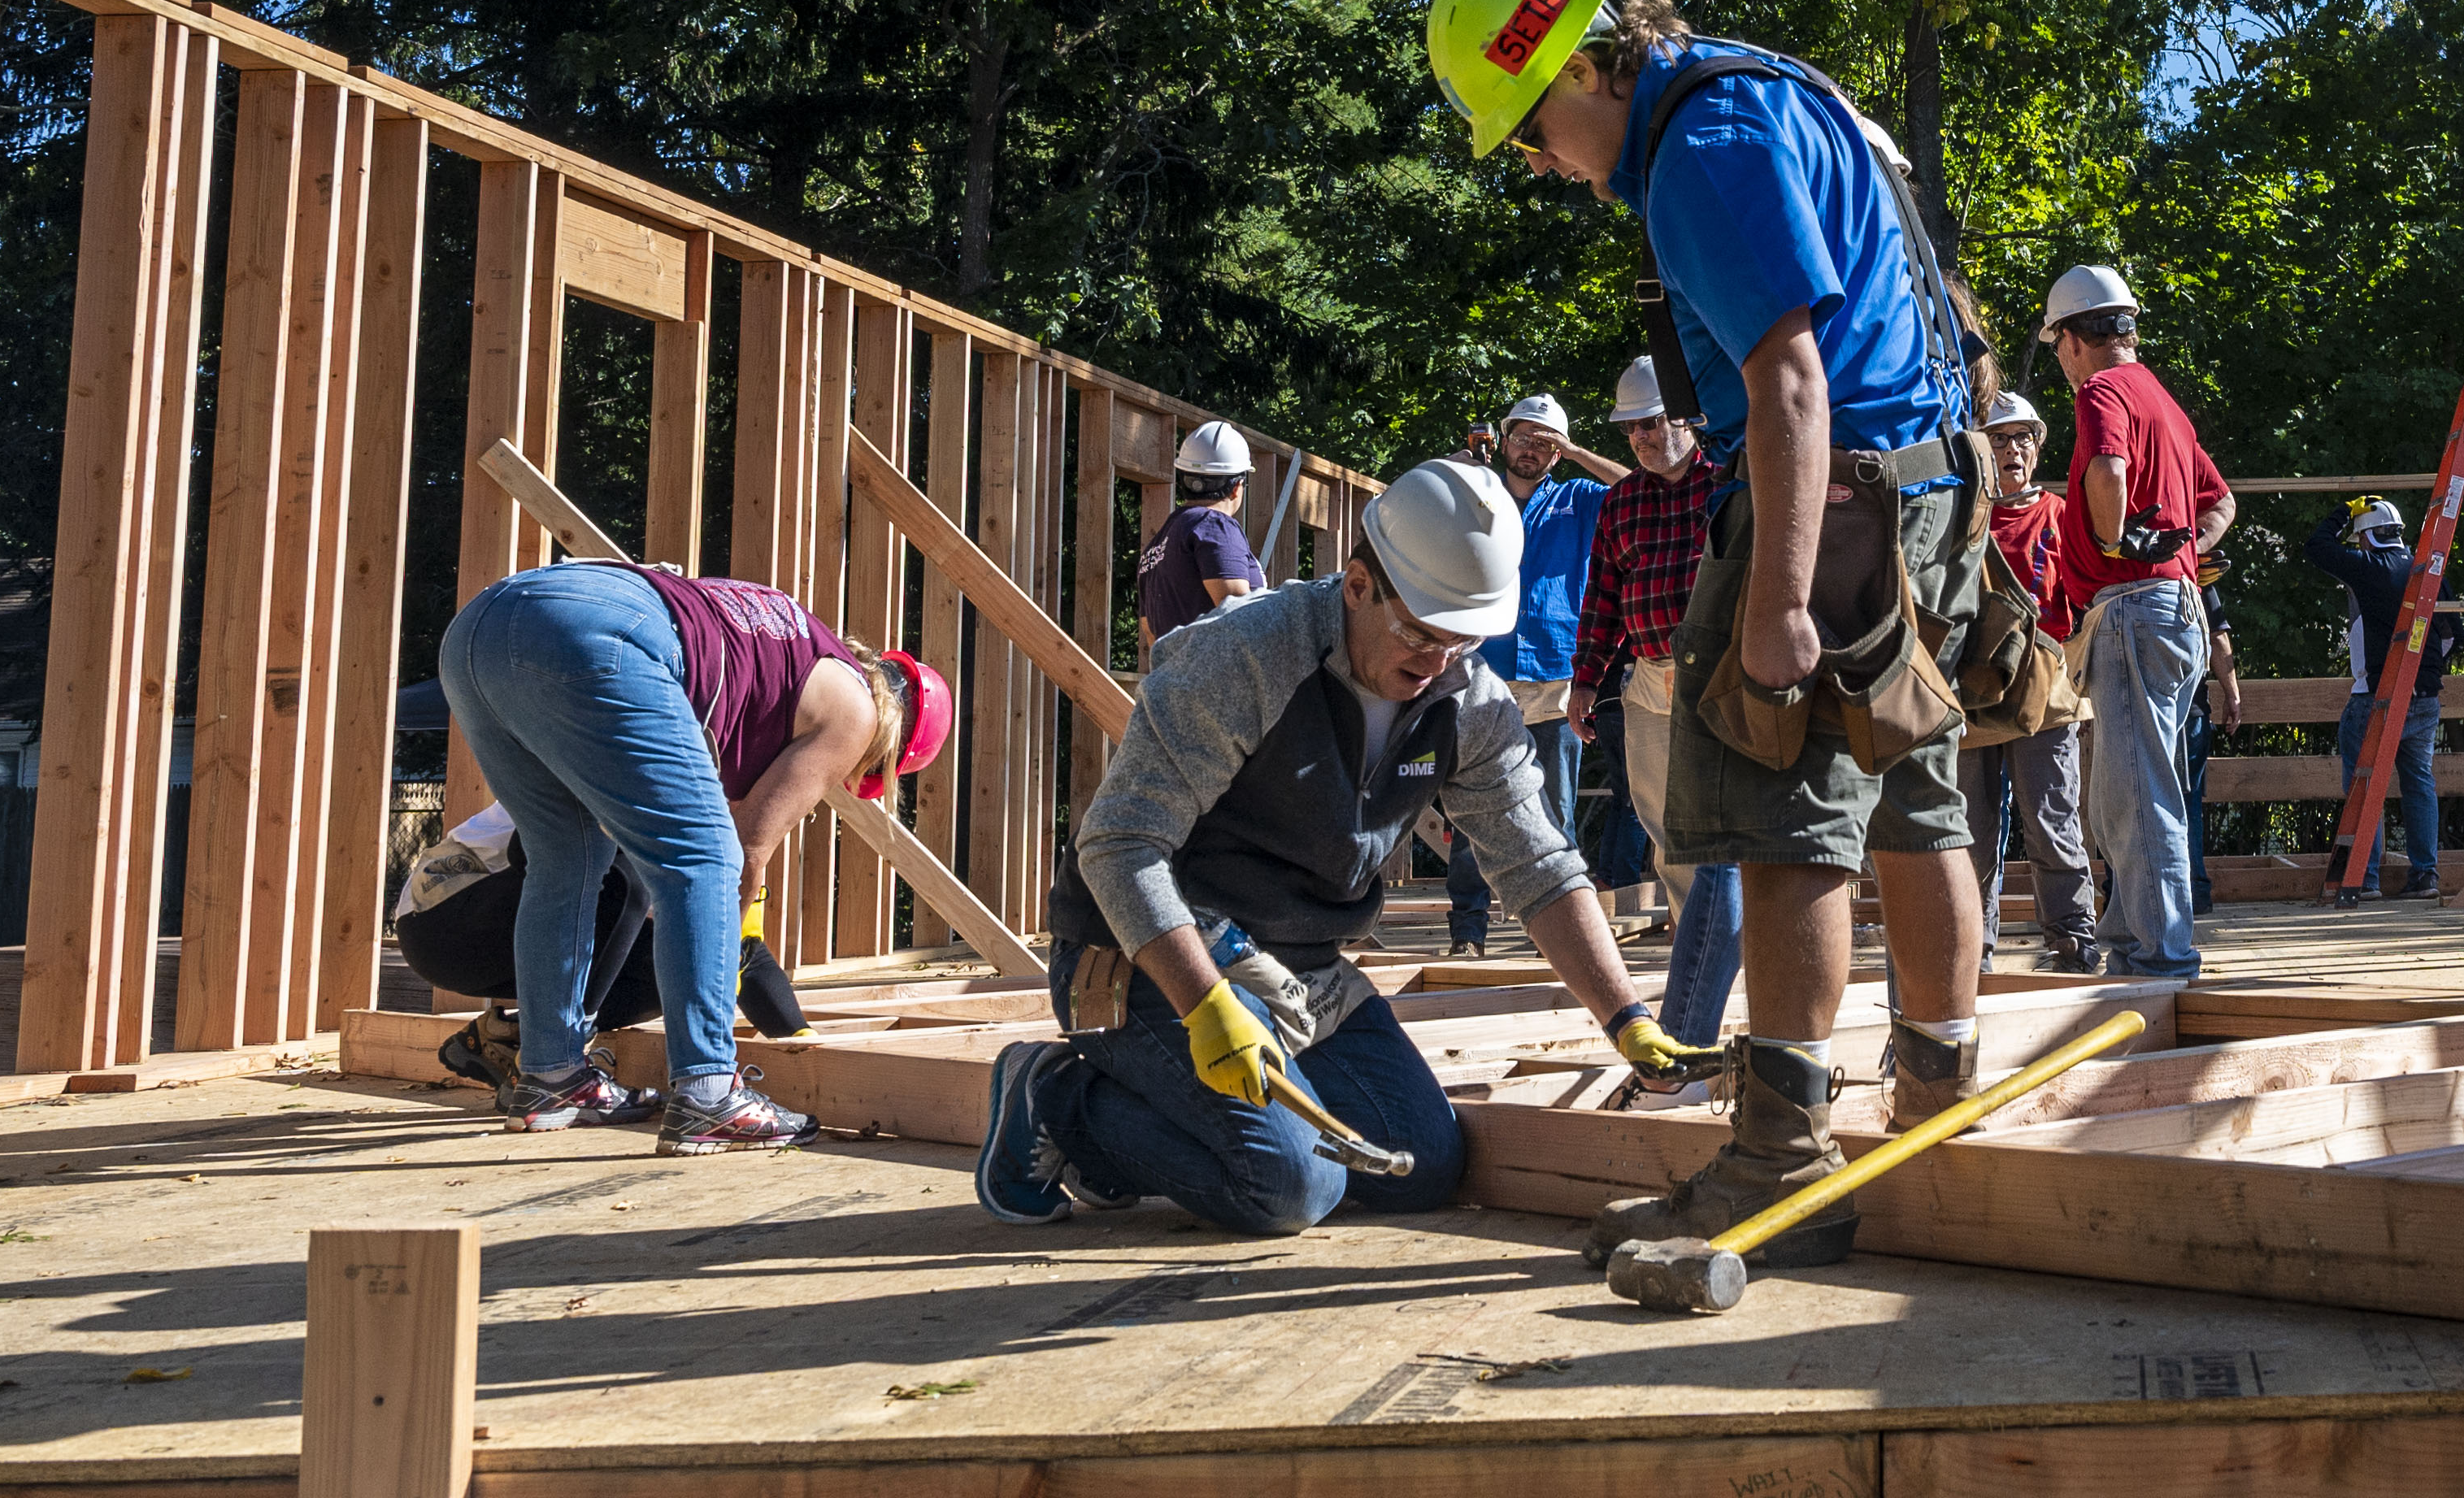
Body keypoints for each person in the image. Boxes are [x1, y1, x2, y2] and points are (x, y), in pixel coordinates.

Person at [1430, 0, 1999, 1269]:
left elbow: (1789, 379)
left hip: (1835, 497)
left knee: (1782, 816)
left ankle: (1779, 1153)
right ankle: (1936, 1094)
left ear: (1578, 62)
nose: (1535, 163)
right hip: (1920, 481)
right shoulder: (1778, 87)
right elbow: (1939, 305)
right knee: (1915, 799)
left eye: (1528, 128)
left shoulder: (1700, 142)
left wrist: (1779, 595)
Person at [979, 462, 1706, 1232]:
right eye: (1421, 633)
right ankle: (1055, 1094)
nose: (1437, 663)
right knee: (1290, 1185)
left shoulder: (1469, 702)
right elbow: (1121, 845)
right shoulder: (1246, 656)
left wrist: (1625, 1017)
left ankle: (1155, 1118)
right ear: (1358, 585)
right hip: (1142, 956)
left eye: (1462, 641)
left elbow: (1538, 867)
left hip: (1299, 966)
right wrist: (1206, 1005)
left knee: (1419, 1163)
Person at [432, 558, 948, 1153]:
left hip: (480, 628)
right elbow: (742, 851)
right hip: (590, 631)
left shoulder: (790, 652)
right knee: (705, 857)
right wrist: (738, 933)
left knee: (565, 857)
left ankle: (551, 1078)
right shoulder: (856, 711)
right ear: (893, 746)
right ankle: (709, 1094)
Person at [2036, 263, 2232, 983]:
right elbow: (2221, 503)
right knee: (2129, 790)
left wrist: (2120, 539)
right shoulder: (2164, 401)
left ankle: (2160, 958)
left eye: (2056, 343)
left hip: (2129, 610)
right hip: (2172, 610)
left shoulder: (2102, 389)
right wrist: (2184, 545)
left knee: (2138, 794)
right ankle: (2131, 941)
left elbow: (2109, 469)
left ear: (2071, 337)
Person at [395, 802, 807, 1096]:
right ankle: (559, 1065)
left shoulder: (716, 846)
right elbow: (533, 851)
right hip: (443, 918)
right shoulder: (653, 786)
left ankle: (509, 1038)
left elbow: (740, 953)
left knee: (682, 968)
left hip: (503, 931)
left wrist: (799, 1040)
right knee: (623, 863)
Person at [1574, 354, 1744, 1057]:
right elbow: (1603, 600)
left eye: (1650, 423)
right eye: (1630, 429)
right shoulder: (1622, 503)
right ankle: (1699, 958)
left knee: (1721, 840)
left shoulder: (1729, 484)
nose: (1640, 438)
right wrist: (1586, 679)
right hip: (1647, 676)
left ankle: (1713, 972)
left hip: (1719, 675)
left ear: (1684, 419)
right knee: (1667, 830)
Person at [1446, 393, 1608, 957]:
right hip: (1484, 670)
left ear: (1557, 452)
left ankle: (1555, 941)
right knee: (1473, 806)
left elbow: (1643, 488)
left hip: (1556, 674)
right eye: (1523, 437)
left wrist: (1579, 451)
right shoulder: (1479, 491)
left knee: (1553, 810)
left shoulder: (1577, 498)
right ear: (1505, 437)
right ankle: (1468, 931)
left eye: (1546, 443)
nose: (1531, 450)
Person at [1966, 388, 2101, 971]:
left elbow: (2090, 595)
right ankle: (1969, 950)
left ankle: (2072, 939)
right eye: (1999, 438)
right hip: (1972, 689)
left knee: (2051, 818)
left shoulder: (2061, 515)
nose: (2013, 449)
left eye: (2024, 437)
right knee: (1969, 830)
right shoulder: (1962, 518)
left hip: (2045, 685)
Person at [2322, 497, 2453, 901]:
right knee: (2419, 783)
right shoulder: (2427, 570)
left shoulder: (2368, 569)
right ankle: (2425, 876)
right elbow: (2451, 636)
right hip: (2425, 697)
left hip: (2373, 696)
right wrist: (2421, 675)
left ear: (2365, 538)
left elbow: (2318, 547)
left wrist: (2343, 511)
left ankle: (2366, 878)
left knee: (2364, 786)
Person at [1136, 419, 1268, 657]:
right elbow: (1239, 611)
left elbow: (1151, 634)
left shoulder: (1156, 546)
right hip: (1220, 687)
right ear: (1237, 486)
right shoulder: (1215, 526)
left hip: (1173, 686)